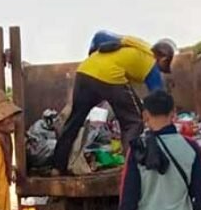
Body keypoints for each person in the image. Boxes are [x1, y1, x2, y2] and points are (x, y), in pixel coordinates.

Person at [51, 32, 177, 174]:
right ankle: (131, 169)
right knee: (134, 121)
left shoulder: (134, 45)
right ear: (164, 58)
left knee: (74, 120)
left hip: (84, 71)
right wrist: (168, 121)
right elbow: (159, 99)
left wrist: (94, 55)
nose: (160, 71)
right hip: (110, 76)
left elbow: (99, 36)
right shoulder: (151, 64)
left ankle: (57, 167)